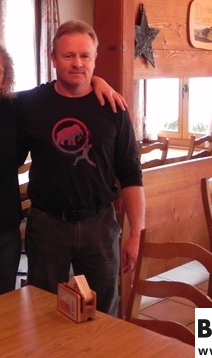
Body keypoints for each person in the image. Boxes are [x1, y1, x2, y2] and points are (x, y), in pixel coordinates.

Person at [0, 41, 125, 316]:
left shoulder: (15, 113)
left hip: (4, 240)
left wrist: (98, 81)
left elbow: (65, 86)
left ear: (4, 79)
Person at [18, 19, 145, 316]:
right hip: (47, 225)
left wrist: (136, 233)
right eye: (68, 55)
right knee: (44, 311)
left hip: (99, 224)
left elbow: (130, 172)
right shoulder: (30, 104)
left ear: (95, 58)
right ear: (52, 58)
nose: (77, 63)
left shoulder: (114, 108)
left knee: (104, 313)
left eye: (85, 56)